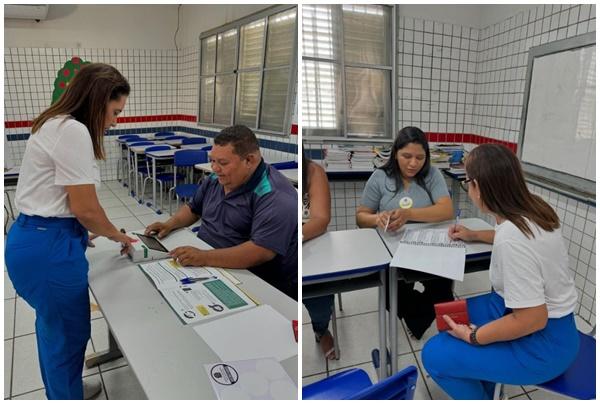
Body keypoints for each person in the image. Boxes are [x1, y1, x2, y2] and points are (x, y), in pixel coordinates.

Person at [4, 63, 136, 400]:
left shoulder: (54, 123)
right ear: (97, 100)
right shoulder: (73, 131)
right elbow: (86, 209)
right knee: (67, 334)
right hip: (47, 246)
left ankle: (64, 389)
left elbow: (62, 201)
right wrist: (118, 236)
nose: (114, 121)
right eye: (114, 111)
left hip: (39, 236)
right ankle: (66, 394)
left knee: (53, 329)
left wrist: (75, 231)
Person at [422, 144, 579, 399]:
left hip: (544, 346)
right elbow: (514, 239)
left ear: (479, 187)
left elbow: (532, 319)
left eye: (467, 182)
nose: (467, 189)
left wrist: (474, 336)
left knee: (434, 355)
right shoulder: (532, 209)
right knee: (451, 317)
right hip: (552, 324)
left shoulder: (512, 238)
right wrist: (473, 235)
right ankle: (485, 378)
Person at [145, 125, 298, 300]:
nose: (215, 168)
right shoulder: (215, 179)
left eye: (223, 163)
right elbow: (193, 208)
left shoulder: (274, 196)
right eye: (212, 161)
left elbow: (260, 251)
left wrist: (203, 257)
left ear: (249, 160)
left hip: (252, 278)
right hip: (208, 262)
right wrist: (169, 224)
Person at [356, 126, 454, 339]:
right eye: (406, 156)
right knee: (394, 294)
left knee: (443, 289)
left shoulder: (432, 175)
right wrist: (377, 218)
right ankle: (417, 320)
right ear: (395, 154)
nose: (413, 163)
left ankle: (419, 322)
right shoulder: (380, 177)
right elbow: (361, 217)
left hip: (427, 248)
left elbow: (447, 210)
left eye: (420, 157)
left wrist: (409, 214)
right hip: (391, 250)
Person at [301, 148, 335, 359]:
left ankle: (321, 328)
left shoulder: (314, 172)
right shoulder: (267, 175)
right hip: (274, 240)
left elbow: (320, 220)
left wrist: (292, 238)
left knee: (319, 290)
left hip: (310, 240)